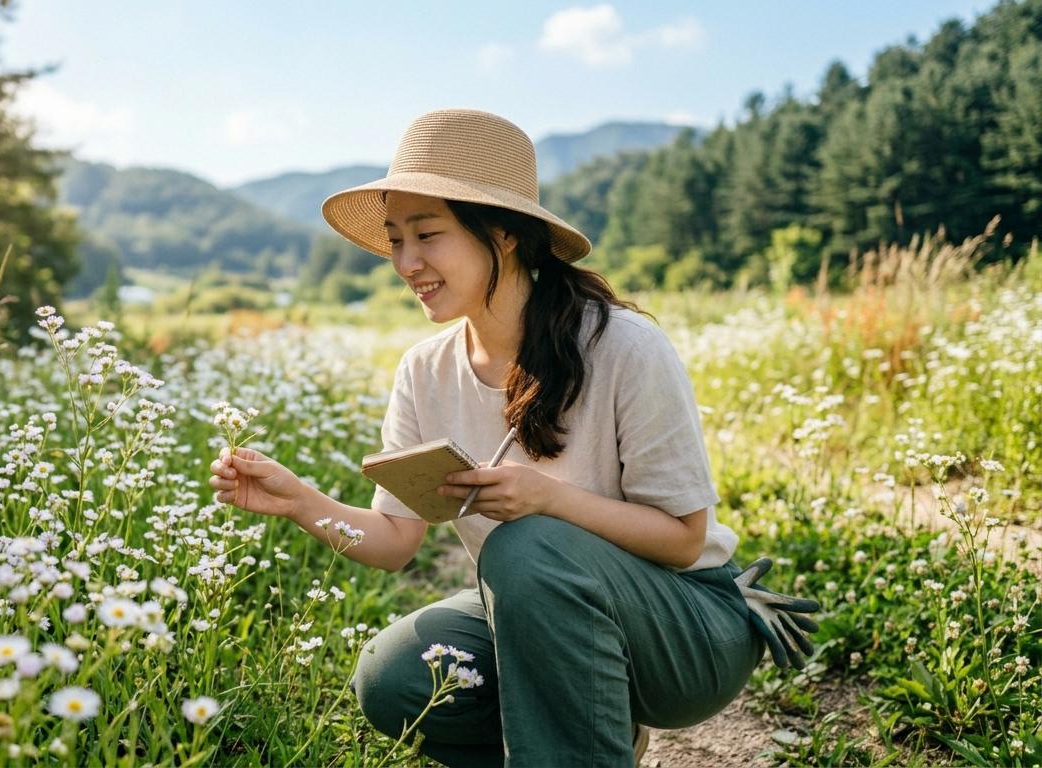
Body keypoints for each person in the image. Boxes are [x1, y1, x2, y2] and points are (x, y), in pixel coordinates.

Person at [209, 109, 782, 767]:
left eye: (428, 234)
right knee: (394, 676)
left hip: (686, 630)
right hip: (542, 613)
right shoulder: (425, 371)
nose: (406, 262)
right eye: (396, 239)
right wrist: (298, 501)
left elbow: (683, 539)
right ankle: (594, 736)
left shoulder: (624, 348)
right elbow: (397, 543)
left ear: (505, 234)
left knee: (524, 545)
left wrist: (545, 499)